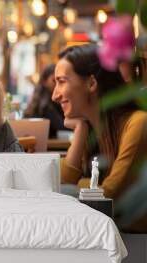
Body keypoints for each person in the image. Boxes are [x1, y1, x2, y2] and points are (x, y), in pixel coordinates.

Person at [52, 44, 147, 231]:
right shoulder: (92, 130)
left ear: (91, 84)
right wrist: (80, 131)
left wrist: (78, 186)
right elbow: (63, 180)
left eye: (62, 81)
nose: (55, 95)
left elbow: (109, 194)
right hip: (105, 232)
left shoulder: (139, 123)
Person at [24, 64, 66, 138]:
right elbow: (61, 125)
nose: (57, 85)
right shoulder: (44, 104)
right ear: (44, 81)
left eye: (60, 81)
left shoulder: (40, 99)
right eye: (54, 80)